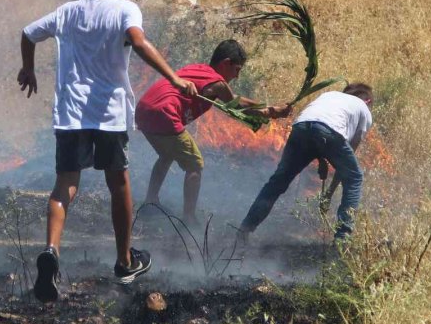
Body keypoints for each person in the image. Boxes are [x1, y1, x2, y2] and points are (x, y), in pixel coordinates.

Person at [17, 0, 197, 300]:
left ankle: (51, 250)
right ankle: (124, 261)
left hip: (71, 114)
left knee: (65, 185)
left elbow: (28, 33)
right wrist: (175, 78)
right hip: (109, 114)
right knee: (119, 184)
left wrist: (28, 68)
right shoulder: (125, 9)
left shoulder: (67, 11)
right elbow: (138, 42)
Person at [135, 39, 292, 226]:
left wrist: (270, 109)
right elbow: (236, 104)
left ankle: (151, 202)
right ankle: (189, 219)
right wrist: (270, 112)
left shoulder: (199, 69)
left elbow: (234, 99)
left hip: (144, 110)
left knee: (167, 155)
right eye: (237, 70)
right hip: (164, 113)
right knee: (195, 164)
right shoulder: (217, 83)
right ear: (226, 63)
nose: (237, 76)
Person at [239, 83, 374, 243]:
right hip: (328, 131)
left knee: (278, 181)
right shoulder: (364, 109)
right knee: (355, 178)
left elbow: (315, 126)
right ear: (368, 101)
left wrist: (321, 158)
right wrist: (329, 194)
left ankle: (245, 228)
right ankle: (342, 239)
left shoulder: (330, 95)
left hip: (300, 127)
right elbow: (345, 170)